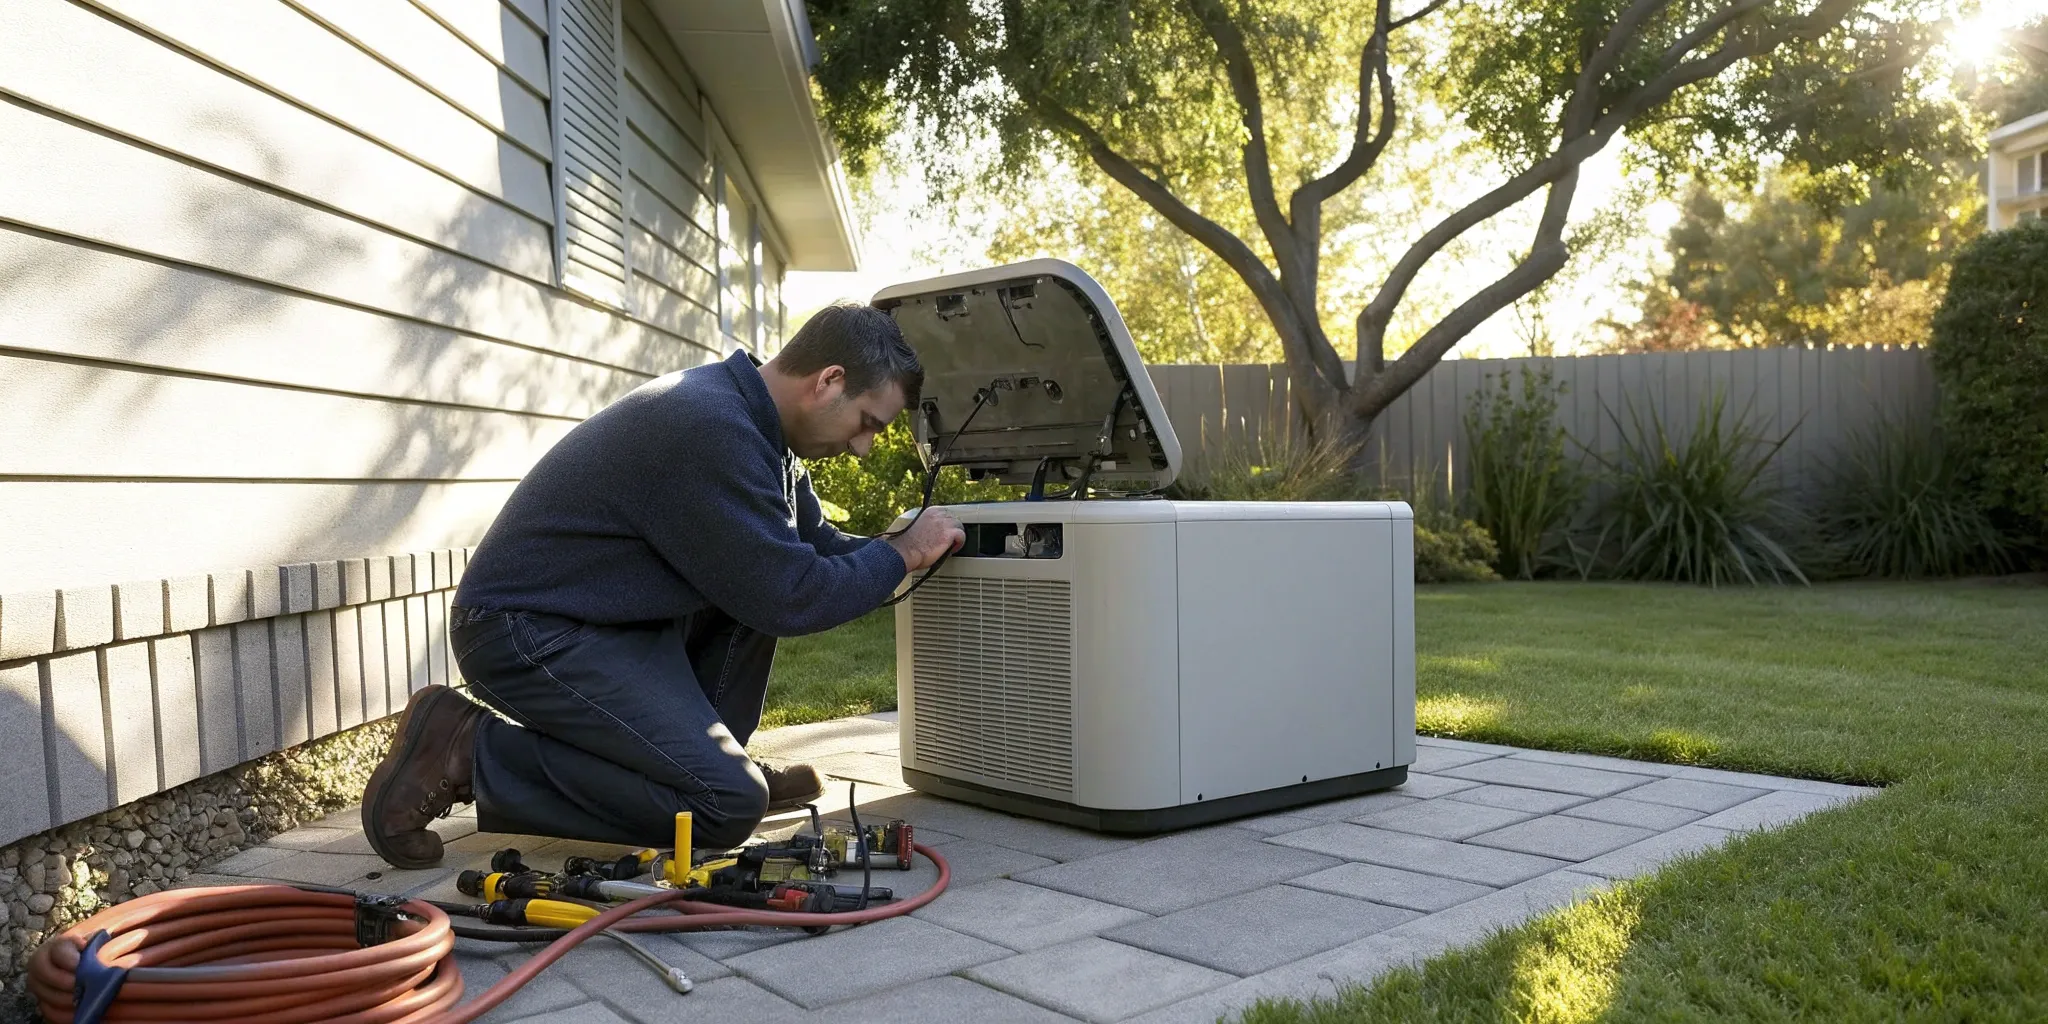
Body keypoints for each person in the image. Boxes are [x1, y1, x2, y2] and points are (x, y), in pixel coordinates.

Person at [359, 303, 966, 870]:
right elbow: (794, 593)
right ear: (829, 381)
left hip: (608, 623)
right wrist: (903, 554)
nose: (862, 448)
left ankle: (710, 763)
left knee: (754, 587)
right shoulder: (712, 427)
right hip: (526, 631)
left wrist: (895, 545)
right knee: (724, 808)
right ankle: (465, 748)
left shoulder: (760, 428)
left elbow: (817, 551)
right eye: (866, 423)